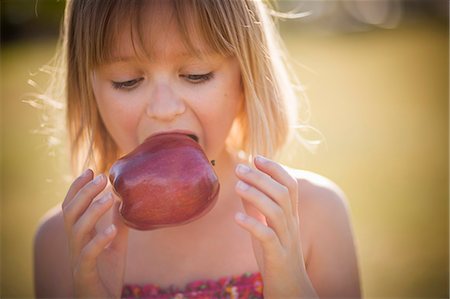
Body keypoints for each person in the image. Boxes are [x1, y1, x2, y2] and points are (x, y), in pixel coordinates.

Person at [34, 0, 361, 298]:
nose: (163, 108)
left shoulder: (314, 216)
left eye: (196, 74)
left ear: (245, 78)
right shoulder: (64, 245)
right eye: (127, 81)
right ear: (88, 88)